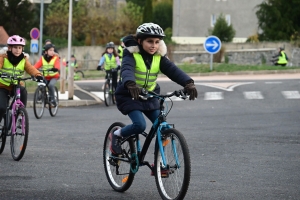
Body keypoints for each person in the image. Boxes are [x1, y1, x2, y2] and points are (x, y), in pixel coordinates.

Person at [110, 23, 198, 155]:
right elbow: (127, 69)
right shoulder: (131, 54)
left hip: (150, 96)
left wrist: (188, 83)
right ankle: (117, 134)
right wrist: (130, 83)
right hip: (130, 95)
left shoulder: (159, 57)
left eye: (157, 42)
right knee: (140, 125)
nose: (154, 45)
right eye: (149, 41)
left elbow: (173, 70)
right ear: (139, 41)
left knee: (164, 128)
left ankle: (160, 166)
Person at [0, 35, 44, 121]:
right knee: (1, 108)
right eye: (15, 47)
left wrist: (38, 75)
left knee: (23, 90)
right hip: (3, 86)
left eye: (20, 48)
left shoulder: (23, 60)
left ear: (22, 49)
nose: (17, 50)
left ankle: (20, 112)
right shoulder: (3, 58)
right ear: (9, 48)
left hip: (16, 85)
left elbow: (30, 68)